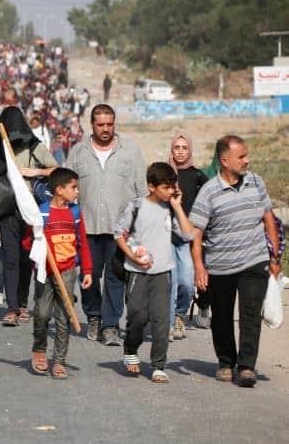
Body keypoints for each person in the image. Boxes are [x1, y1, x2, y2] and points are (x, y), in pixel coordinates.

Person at [190, 135, 282, 388]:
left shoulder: (256, 182)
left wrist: (275, 257)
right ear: (224, 160)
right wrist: (199, 267)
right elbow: (196, 234)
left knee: (251, 315)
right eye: (241, 157)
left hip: (255, 260)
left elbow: (268, 219)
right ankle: (226, 362)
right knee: (221, 317)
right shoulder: (209, 191)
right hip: (220, 265)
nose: (247, 160)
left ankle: (247, 366)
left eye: (246, 155)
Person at [65, 104, 146, 345]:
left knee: (115, 277)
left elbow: (141, 190)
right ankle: (94, 316)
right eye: (100, 125)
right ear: (92, 125)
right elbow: (67, 190)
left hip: (119, 230)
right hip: (87, 228)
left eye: (109, 124)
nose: (105, 129)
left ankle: (110, 325)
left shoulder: (130, 151)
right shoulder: (78, 152)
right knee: (88, 275)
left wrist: (140, 224)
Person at [0, 106, 57, 327]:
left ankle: (21, 303)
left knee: (24, 259)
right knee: (10, 257)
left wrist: (34, 172)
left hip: (29, 210)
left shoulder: (33, 146)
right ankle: (11, 308)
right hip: (6, 209)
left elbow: (55, 170)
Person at [116, 163, 196, 384]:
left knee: (161, 320)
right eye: (166, 187)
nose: (171, 191)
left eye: (173, 187)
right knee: (137, 316)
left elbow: (189, 235)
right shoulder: (135, 207)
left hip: (163, 273)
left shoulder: (169, 209)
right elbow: (119, 234)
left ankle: (158, 365)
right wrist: (131, 257)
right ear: (151, 186)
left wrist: (178, 206)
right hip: (137, 272)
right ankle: (130, 350)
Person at [31, 168, 93, 380]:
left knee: (63, 316)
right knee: (41, 313)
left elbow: (82, 242)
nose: (77, 192)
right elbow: (27, 240)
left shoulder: (75, 213)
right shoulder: (41, 213)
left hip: (67, 271)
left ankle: (59, 360)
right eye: (73, 188)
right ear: (59, 189)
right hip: (44, 271)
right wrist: (37, 242)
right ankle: (39, 351)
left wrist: (87, 270)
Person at [167, 131, 208, 338]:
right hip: (164, 236)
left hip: (189, 238)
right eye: (177, 147)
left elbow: (209, 204)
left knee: (185, 281)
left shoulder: (198, 175)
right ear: (171, 149)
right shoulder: (164, 173)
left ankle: (180, 314)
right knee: (169, 281)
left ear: (190, 150)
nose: (180, 152)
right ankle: (168, 322)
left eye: (184, 148)